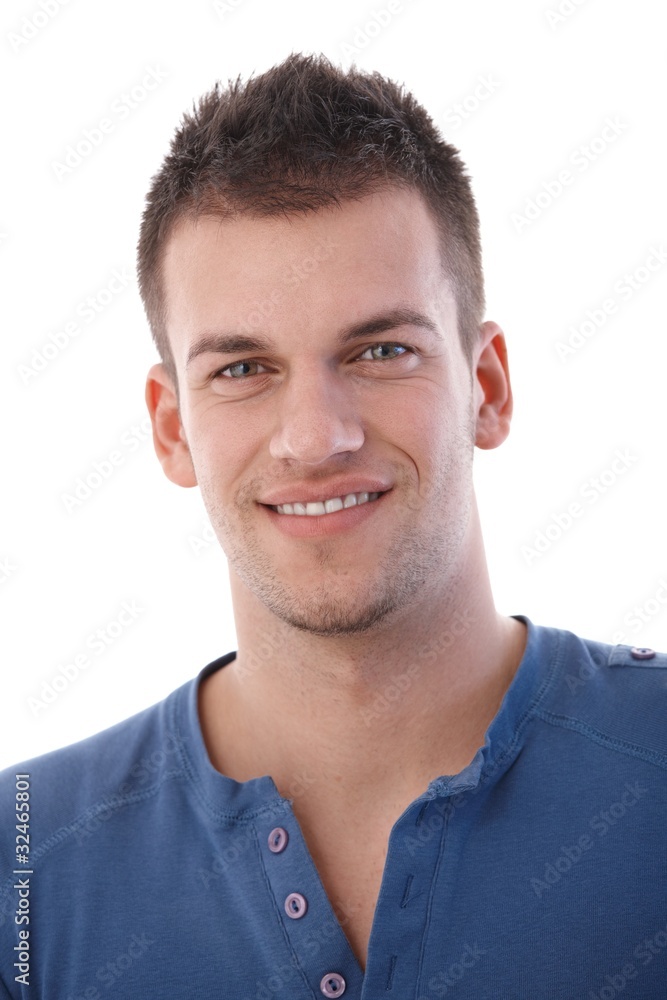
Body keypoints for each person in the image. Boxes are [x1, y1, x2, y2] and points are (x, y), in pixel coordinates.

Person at [1, 52, 666, 999]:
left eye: (381, 349)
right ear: (169, 427)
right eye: (242, 369)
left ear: (486, 386)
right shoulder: (23, 859)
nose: (315, 437)